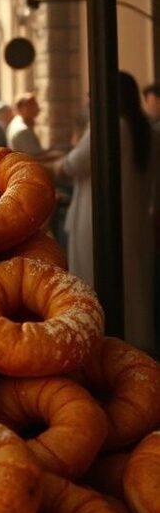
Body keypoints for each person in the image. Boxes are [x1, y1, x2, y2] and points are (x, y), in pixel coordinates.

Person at [59, 71, 157, 352]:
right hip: (136, 221)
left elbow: (72, 166)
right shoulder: (145, 128)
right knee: (136, 290)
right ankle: (138, 351)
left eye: (93, 93)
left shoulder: (108, 126)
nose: (89, 99)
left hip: (99, 221)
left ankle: (107, 353)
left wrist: (43, 164)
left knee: (97, 285)